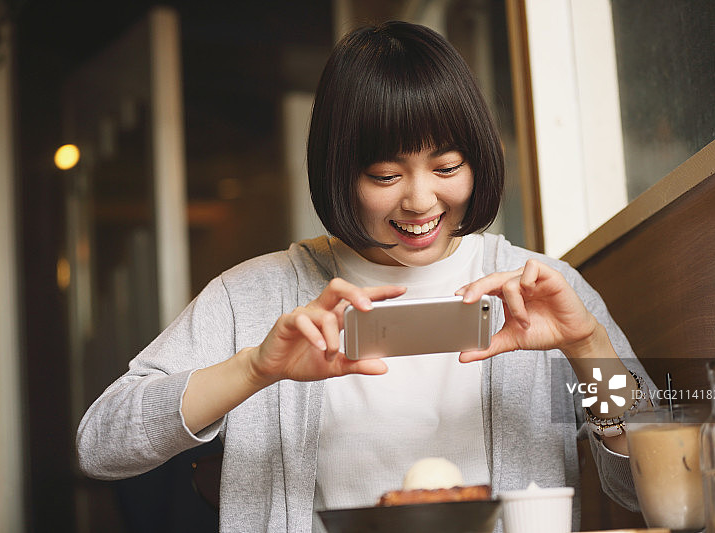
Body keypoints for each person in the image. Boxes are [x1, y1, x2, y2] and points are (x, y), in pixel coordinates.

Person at [77, 20, 652, 532]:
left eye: (447, 167)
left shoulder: (541, 287)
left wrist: (588, 347)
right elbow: (101, 445)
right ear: (339, 173)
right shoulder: (253, 296)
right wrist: (253, 370)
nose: (421, 200)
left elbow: (651, 489)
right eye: (384, 176)